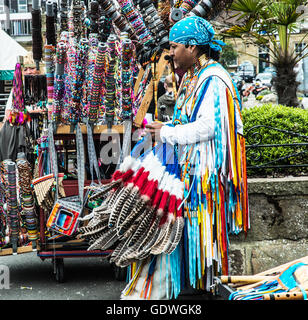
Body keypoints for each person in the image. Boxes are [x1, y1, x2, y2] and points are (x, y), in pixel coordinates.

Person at [142, 16, 249, 296]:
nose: (170, 52)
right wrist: (166, 128)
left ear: (192, 48)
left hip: (207, 177)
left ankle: (207, 289)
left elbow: (208, 127)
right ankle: (200, 287)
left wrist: (166, 133)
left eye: (175, 46)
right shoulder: (196, 77)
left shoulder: (214, 79)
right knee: (196, 240)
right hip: (195, 173)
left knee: (206, 242)